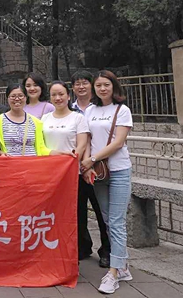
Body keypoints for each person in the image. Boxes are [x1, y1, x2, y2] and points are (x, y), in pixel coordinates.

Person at [81, 70, 134, 294]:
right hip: (98, 173)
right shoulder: (90, 110)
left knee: (116, 221)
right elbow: (87, 139)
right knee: (107, 220)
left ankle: (113, 272)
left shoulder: (122, 110)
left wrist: (92, 159)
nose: (102, 89)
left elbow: (118, 142)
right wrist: (87, 165)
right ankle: (122, 265)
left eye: (106, 85)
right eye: (99, 85)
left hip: (119, 169)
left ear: (114, 86)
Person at [42, 82, 99, 263]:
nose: (57, 98)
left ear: (68, 96)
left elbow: (82, 144)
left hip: (72, 173)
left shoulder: (77, 118)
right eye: (54, 95)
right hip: (50, 174)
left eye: (61, 94)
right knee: (54, 212)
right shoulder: (44, 118)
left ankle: (78, 249)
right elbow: (41, 145)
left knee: (76, 212)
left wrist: (72, 160)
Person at [70, 70, 111, 267]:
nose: (81, 87)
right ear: (72, 88)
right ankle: (83, 246)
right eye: (77, 83)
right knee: (78, 211)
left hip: (98, 167)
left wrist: (90, 162)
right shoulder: (69, 109)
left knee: (102, 210)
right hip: (74, 169)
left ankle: (107, 250)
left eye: (85, 83)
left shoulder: (101, 109)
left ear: (91, 85)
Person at [0, 84, 70, 157]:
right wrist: (0, 152)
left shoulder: (36, 122)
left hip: (32, 164)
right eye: (13, 96)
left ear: (26, 98)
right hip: (9, 165)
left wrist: (61, 153)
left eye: (20, 96)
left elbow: (41, 148)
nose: (17, 99)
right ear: (7, 98)